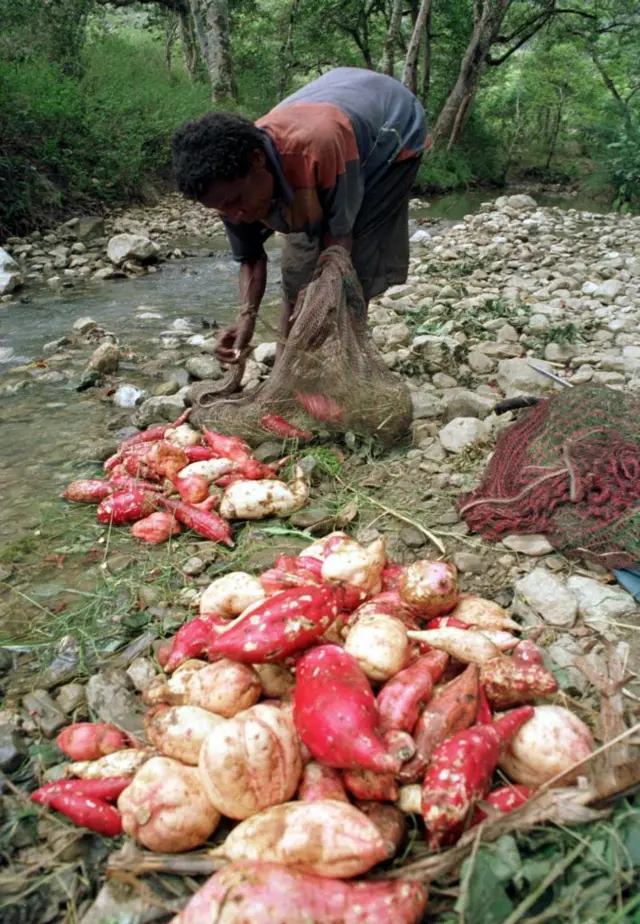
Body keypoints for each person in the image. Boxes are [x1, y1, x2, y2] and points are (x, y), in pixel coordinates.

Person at [172, 66, 428, 366]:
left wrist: (324, 288)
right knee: (299, 272)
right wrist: (246, 317)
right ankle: (288, 369)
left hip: (392, 132)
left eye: (235, 202)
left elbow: (340, 238)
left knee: (352, 270)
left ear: (258, 161)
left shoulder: (317, 147)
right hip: (334, 119)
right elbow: (251, 259)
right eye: (221, 210)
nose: (235, 217)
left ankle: (346, 364)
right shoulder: (225, 184)